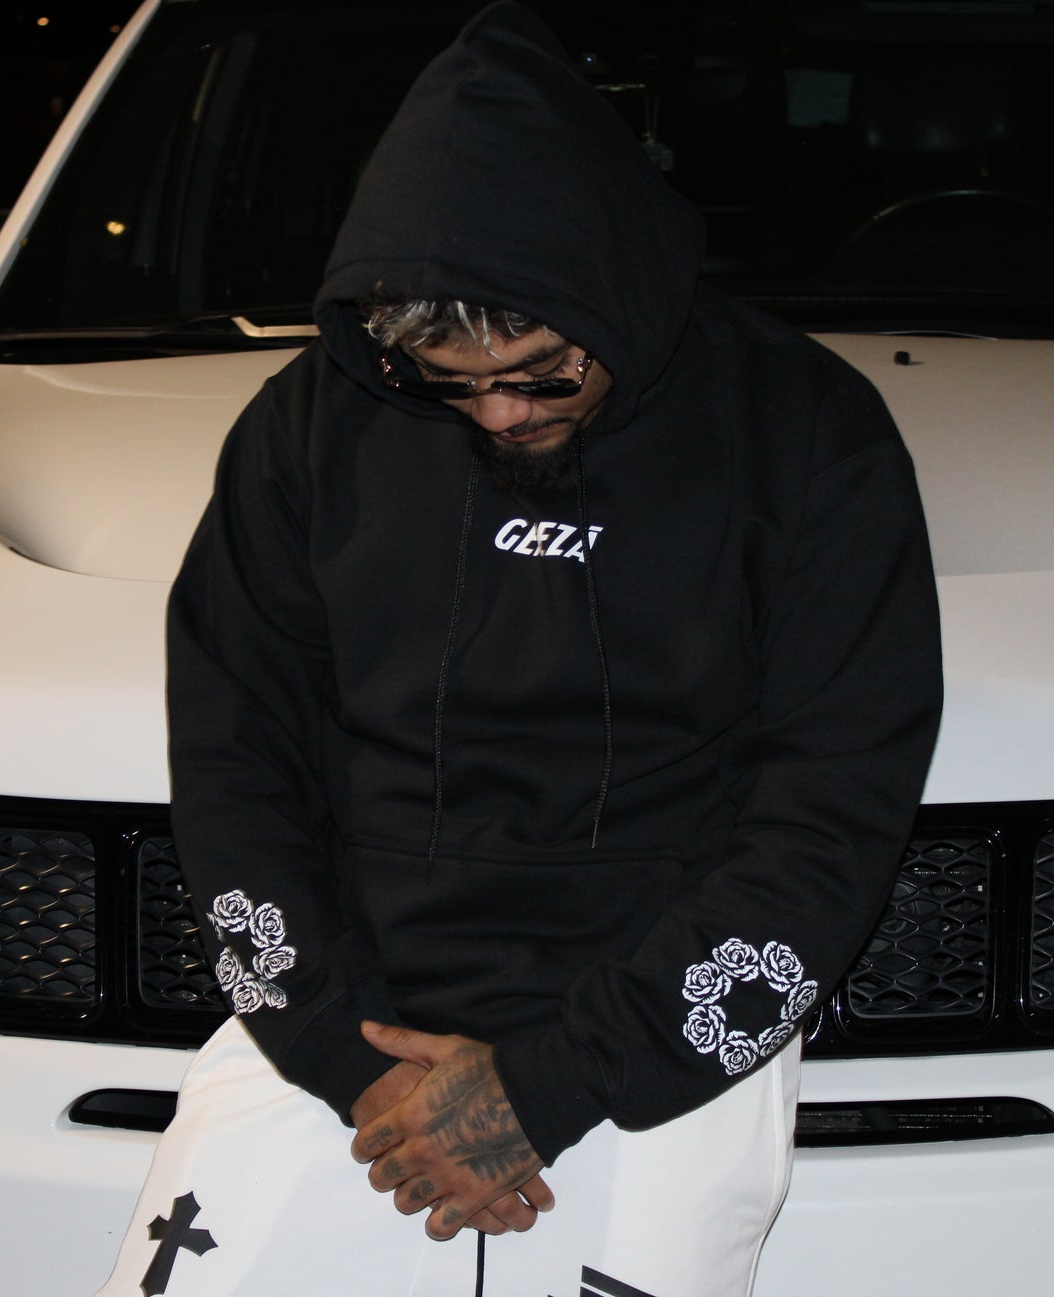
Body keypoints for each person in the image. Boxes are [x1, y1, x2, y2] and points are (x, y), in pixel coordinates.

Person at [98, 4, 941, 1295]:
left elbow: (831, 811)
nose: (498, 413)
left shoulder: (808, 436)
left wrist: (548, 1085)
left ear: (617, 292)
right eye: (447, 378)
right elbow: (233, 762)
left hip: (665, 1025)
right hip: (352, 1022)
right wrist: (353, 1064)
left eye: (543, 372)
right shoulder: (307, 433)